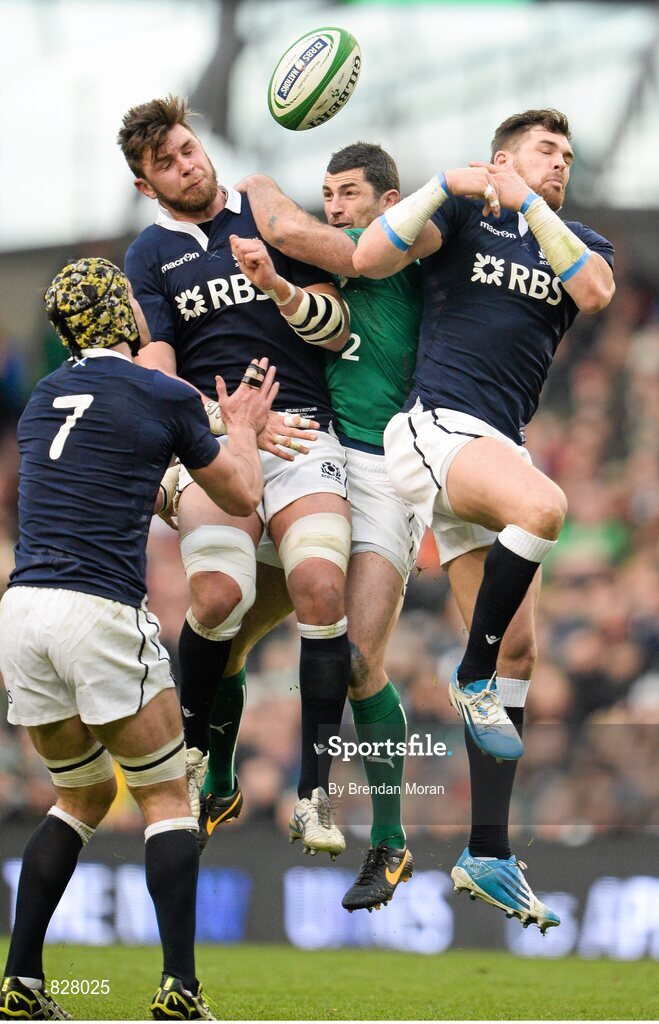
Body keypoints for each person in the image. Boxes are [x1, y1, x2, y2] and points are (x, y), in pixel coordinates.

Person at [353, 109, 615, 930]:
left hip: (492, 444)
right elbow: (368, 252)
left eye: (568, 156)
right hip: (437, 426)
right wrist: (444, 182)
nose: (561, 163)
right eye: (546, 152)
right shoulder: (464, 217)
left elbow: (596, 292)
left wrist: (532, 202)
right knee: (543, 506)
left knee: (524, 651)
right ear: (503, 157)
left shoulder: (577, 240)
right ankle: (468, 675)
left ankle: (488, 853)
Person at [0, 257, 276, 1020]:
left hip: (22, 614)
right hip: (96, 609)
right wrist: (243, 431)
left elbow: (108, 475)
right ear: (124, 313)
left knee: (80, 793)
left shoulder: (44, 398)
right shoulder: (161, 391)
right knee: (166, 796)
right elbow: (241, 493)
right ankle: (180, 991)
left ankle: (21, 982)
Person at [118, 95, 353, 857]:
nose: (185, 164)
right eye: (165, 163)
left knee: (321, 585)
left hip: (300, 427)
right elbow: (156, 367)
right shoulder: (149, 256)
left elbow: (340, 323)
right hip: (216, 440)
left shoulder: (266, 209)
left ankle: (313, 795)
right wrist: (227, 426)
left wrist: (278, 285)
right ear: (146, 184)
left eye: (187, 148)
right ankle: (194, 762)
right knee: (218, 597)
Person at [207, 143, 423, 910]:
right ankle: (222, 775)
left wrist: (263, 186)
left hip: (384, 469)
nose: (334, 206)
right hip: (316, 454)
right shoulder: (323, 265)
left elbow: (293, 235)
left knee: (359, 657)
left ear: (388, 199)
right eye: (325, 193)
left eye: (349, 193)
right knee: (226, 624)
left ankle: (390, 841)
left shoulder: (388, 250)